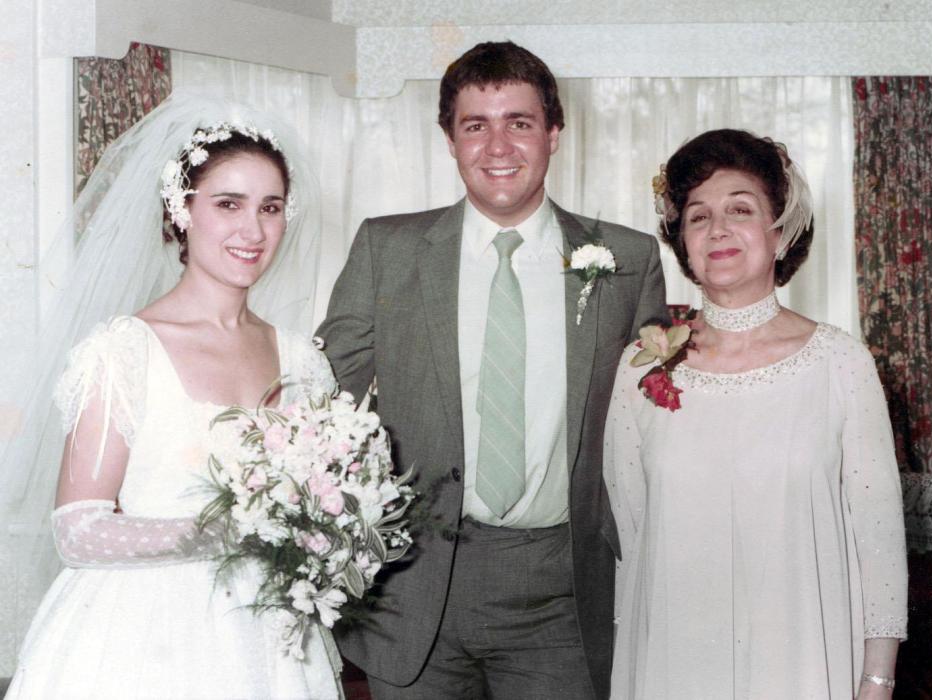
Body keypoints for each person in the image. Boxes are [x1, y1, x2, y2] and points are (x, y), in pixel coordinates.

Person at [319, 41, 667, 699]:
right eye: (475, 125)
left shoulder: (627, 260)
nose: (498, 145)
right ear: (449, 139)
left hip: (561, 596)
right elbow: (319, 395)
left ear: (554, 133)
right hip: (413, 589)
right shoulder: (385, 250)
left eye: (520, 122)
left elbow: (654, 427)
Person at [2, 95, 344, 698]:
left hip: (270, 638)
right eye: (228, 204)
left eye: (270, 207)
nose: (253, 230)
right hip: (139, 638)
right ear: (181, 211)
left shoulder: (303, 361)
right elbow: (78, 531)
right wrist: (228, 533)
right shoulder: (125, 352)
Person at [604, 128, 908, 698]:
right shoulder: (639, 369)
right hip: (678, 659)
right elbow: (632, 536)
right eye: (698, 216)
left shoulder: (841, 363)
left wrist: (876, 679)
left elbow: (879, 539)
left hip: (801, 661)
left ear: (779, 233)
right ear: (683, 243)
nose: (717, 229)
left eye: (740, 209)